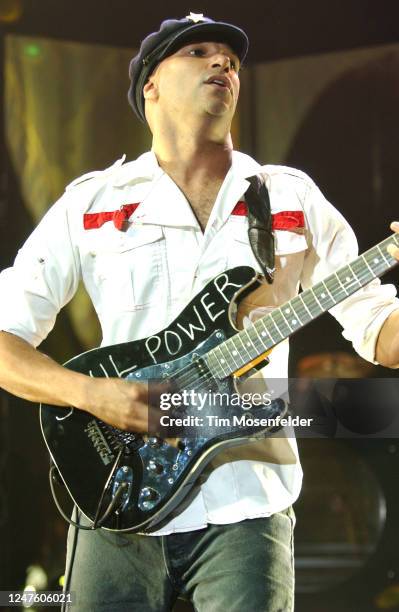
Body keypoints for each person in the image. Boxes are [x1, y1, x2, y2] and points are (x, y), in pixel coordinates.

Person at [1, 13, 399, 612]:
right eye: (198, 52)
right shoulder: (92, 201)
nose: (223, 63)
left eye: (232, 59)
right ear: (150, 86)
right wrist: (89, 394)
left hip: (248, 501)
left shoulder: (290, 196)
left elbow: (381, 334)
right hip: (116, 499)